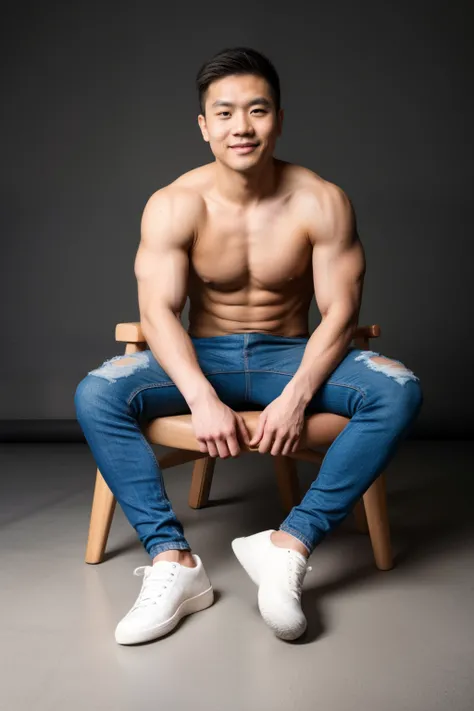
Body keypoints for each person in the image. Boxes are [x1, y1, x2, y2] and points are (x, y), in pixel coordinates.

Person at [74, 46, 423, 645]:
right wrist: (201, 398)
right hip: (201, 356)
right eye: (226, 113)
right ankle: (173, 561)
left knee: (399, 389)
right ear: (204, 126)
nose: (242, 127)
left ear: (279, 119)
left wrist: (296, 396)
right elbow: (157, 313)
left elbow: (341, 313)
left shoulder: (321, 199)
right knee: (96, 393)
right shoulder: (175, 203)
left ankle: (288, 545)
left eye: (257, 111)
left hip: (291, 356)